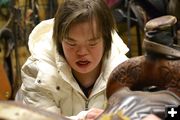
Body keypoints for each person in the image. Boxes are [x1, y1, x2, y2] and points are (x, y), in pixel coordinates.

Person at [15, 0, 129, 119]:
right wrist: (83, 118)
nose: (82, 52)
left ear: (106, 41)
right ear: (59, 40)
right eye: (71, 43)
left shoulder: (125, 74)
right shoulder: (37, 72)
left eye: (92, 43)